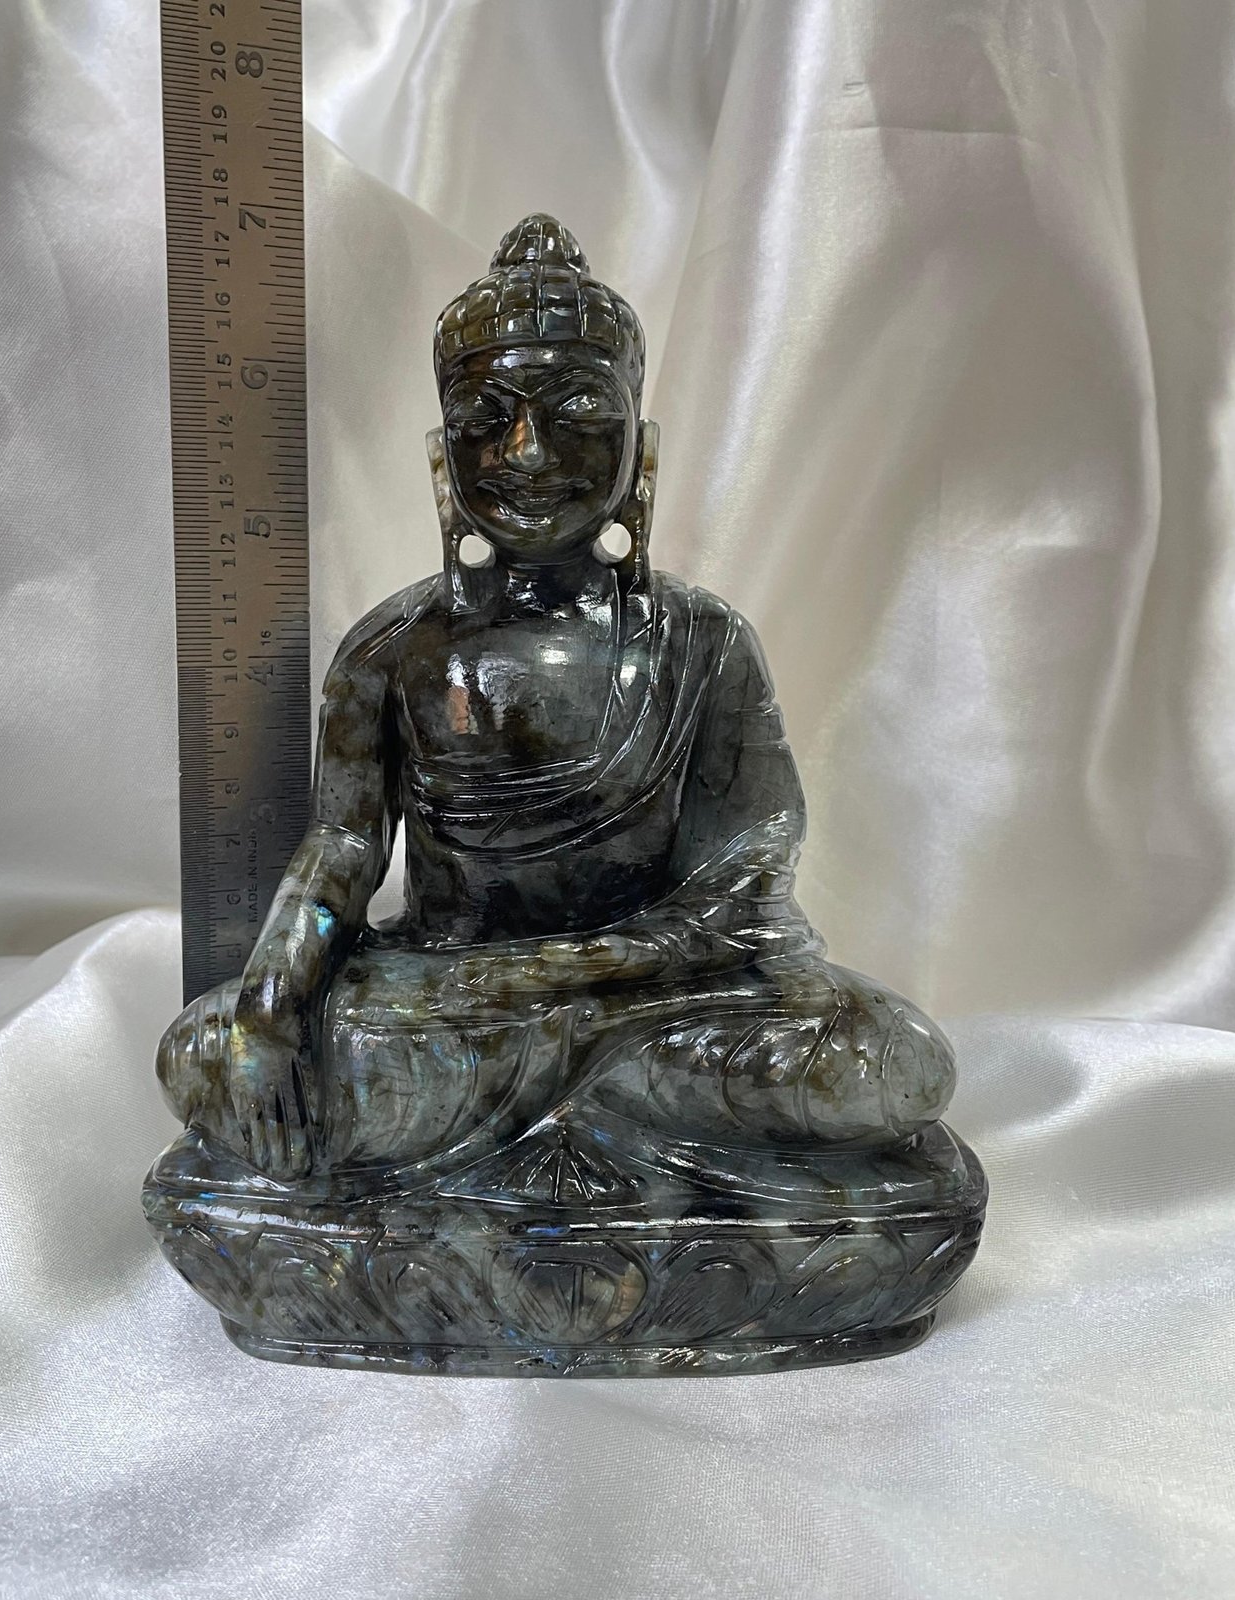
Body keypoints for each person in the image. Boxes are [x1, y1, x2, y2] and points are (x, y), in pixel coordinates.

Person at [156, 214, 955, 1199]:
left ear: (638, 446)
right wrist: (276, 999)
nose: (527, 450)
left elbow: (748, 869)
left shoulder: (702, 639)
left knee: (889, 1058)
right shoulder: (392, 649)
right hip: (448, 989)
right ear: (443, 453)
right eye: (485, 415)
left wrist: (572, 975)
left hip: (646, 992)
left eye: (576, 409)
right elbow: (344, 845)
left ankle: (520, 1141)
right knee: (203, 1051)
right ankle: (597, 1139)